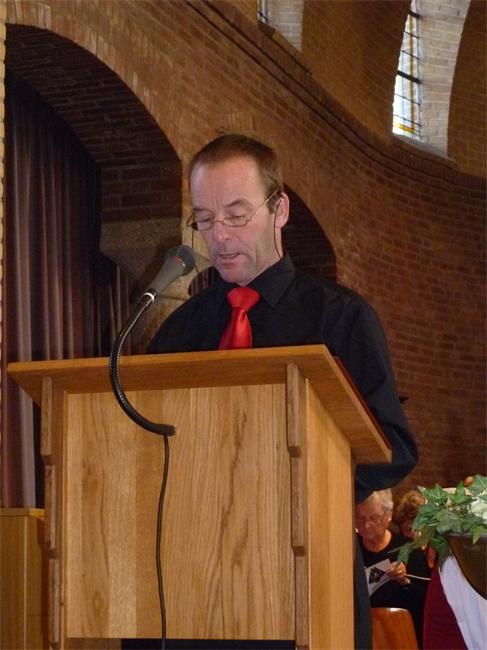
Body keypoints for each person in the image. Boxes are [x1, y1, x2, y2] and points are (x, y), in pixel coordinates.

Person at [147, 133, 418, 649]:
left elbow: (394, 447)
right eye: (205, 218)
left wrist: (286, 480)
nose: (219, 236)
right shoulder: (182, 330)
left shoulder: (340, 318)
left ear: (280, 210)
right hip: (196, 580)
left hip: (305, 575)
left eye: (236, 214)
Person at [356, 489, 431, 647]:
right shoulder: (349, 549)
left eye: (373, 518)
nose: (366, 524)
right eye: (360, 517)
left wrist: (405, 582)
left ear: (388, 515)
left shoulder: (409, 549)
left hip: (401, 638)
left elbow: (424, 604)